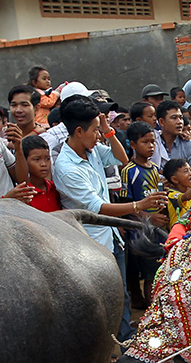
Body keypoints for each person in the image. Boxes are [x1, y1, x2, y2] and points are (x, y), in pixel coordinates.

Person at [52, 95, 165, 342]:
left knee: (120, 291)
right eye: (95, 130)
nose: (99, 135)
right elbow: (98, 208)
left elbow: (122, 159)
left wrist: (109, 131)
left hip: (111, 236)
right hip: (89, 242)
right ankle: (105, 343)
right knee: (100, 296)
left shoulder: (91, 150)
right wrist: (139, 205)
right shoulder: (66, 167)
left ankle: (124, 337)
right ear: (79, 131)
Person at [121, 121, 165, 307]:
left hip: (158, 229)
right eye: (145, 142)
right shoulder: (129, 171)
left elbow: (160, 197)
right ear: (132, 144)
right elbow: (126, 206)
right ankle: (152, 311)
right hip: (140, 232)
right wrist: (149, 217)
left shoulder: (155, 169)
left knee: (160, 270)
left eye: (153, 142)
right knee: (149, 274)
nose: (151, 146)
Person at [151, 100, 191, 175]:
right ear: (161, 122)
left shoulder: (190, 147)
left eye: (180, 118)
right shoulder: (152, 143)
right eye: (174, 118)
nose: (179, 122)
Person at [21, 135, 62, 212]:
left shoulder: (54, 187)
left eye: (47, 159)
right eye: (37, 159)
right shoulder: (24, 194)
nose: (44, 164)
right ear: (24, 162)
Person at [163, 157, 191, 226]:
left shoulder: (189, 194)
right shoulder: (171, 194)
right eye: (186, 171)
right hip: (178, 234)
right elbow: (186, 197)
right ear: (174, 179)